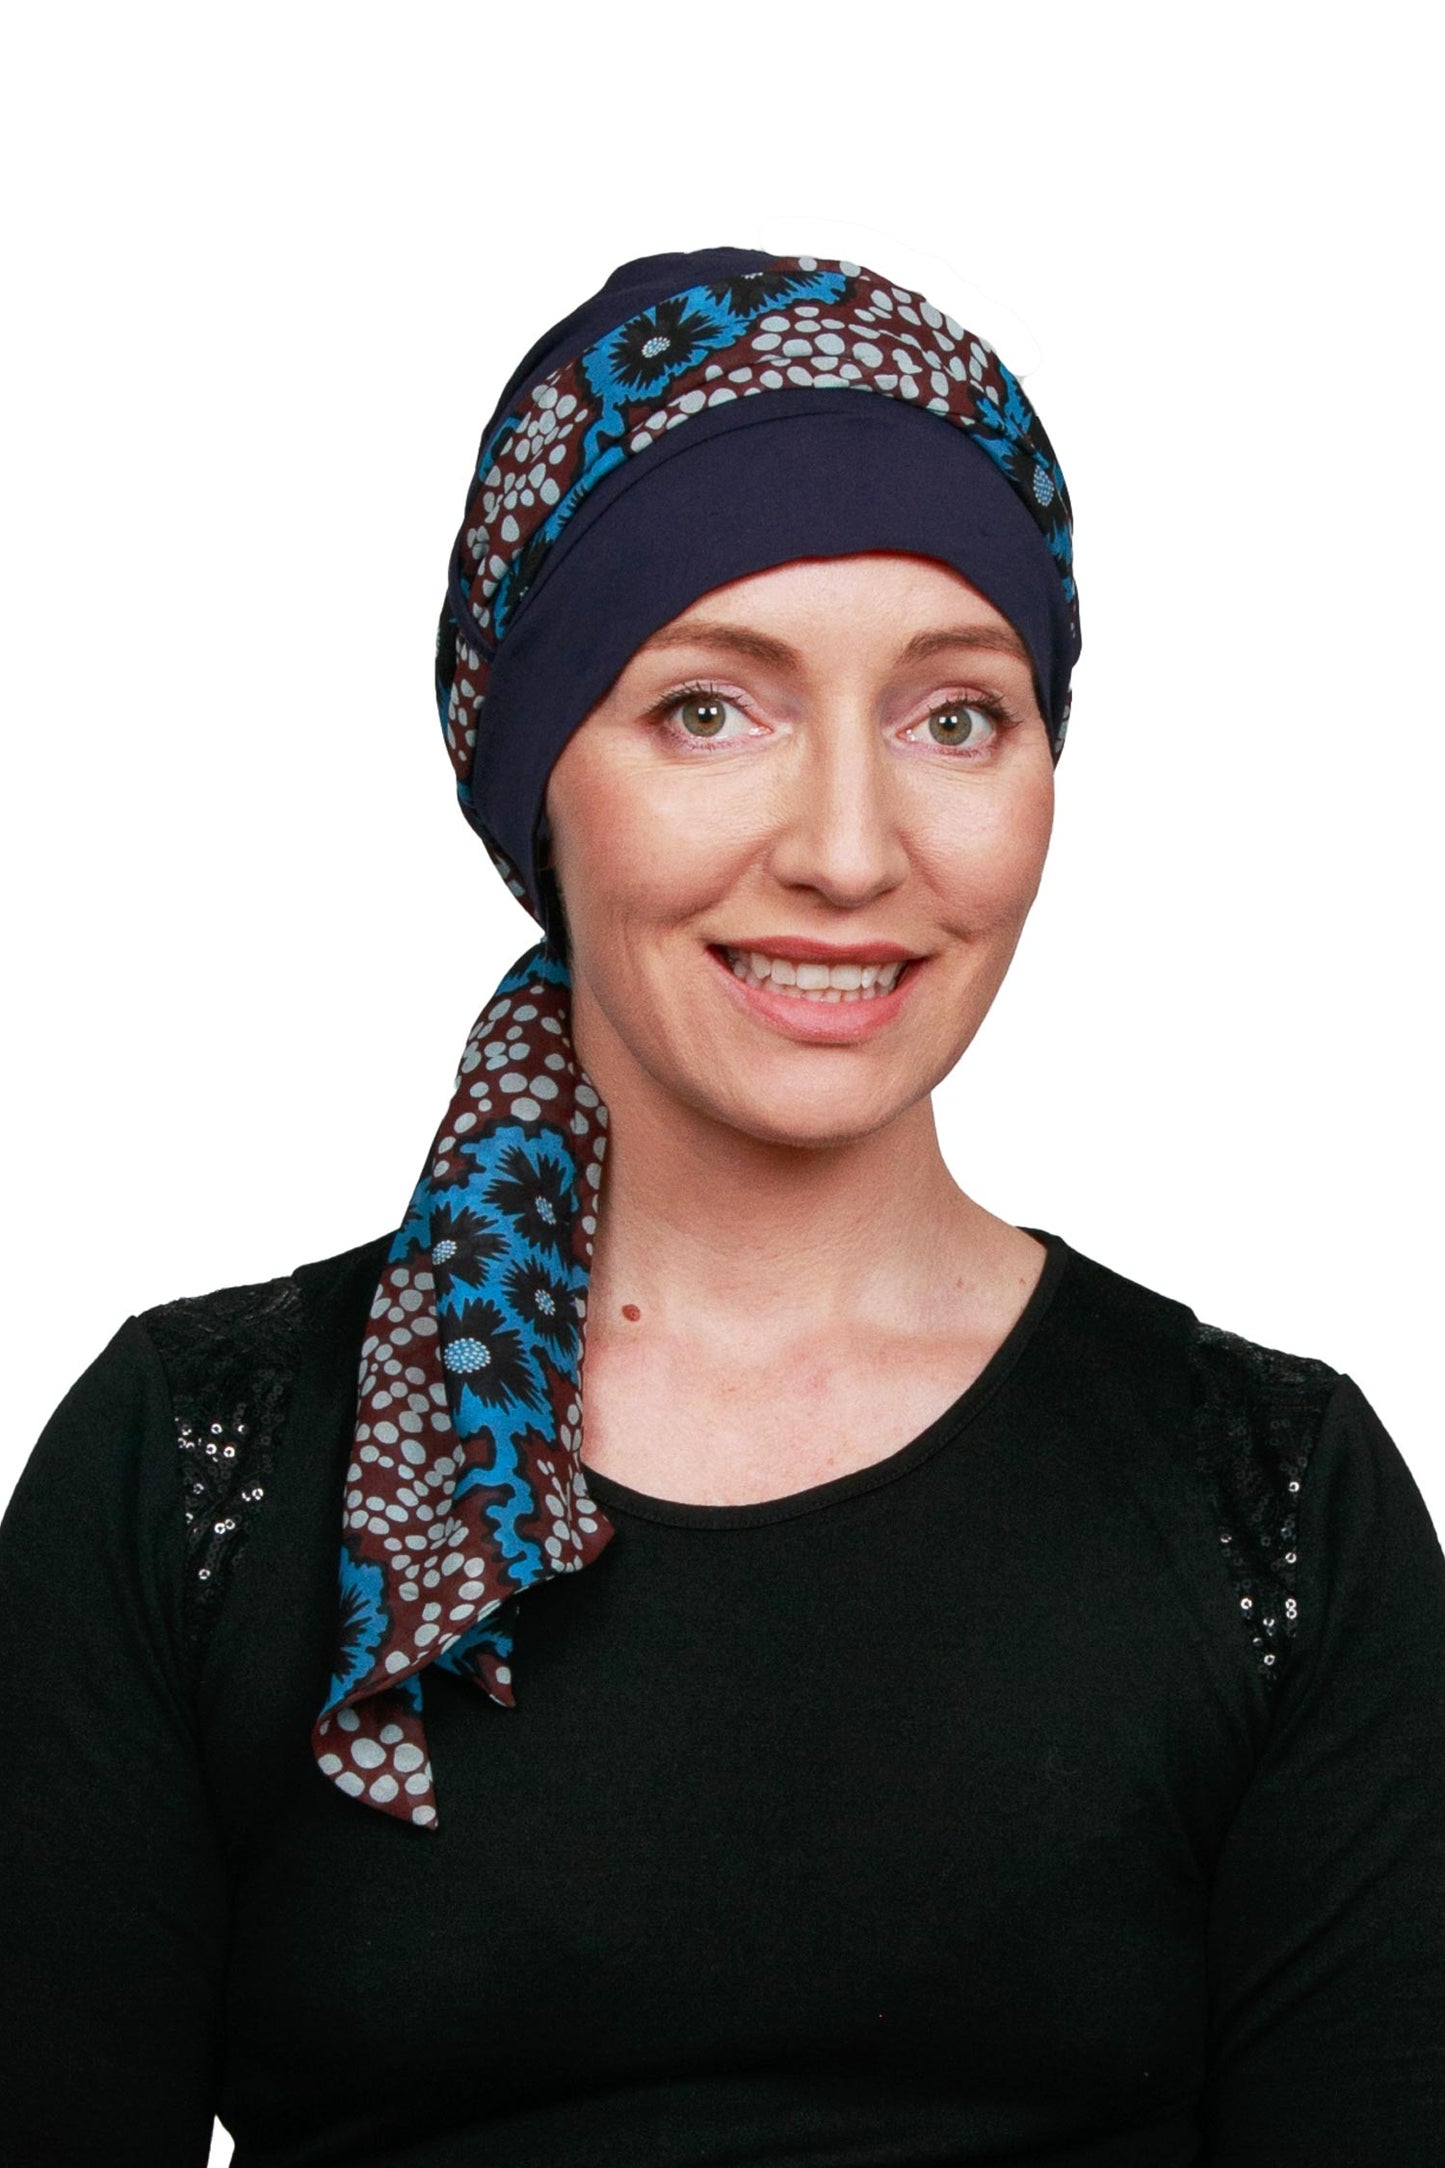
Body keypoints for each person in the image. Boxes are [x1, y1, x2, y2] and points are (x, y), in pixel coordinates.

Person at [2, 245, 1442, 2167]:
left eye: (954, 718)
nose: (847, 850)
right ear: (535, 777)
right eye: (707, 710)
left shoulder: (1273, 1500)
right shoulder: (197, 1471)